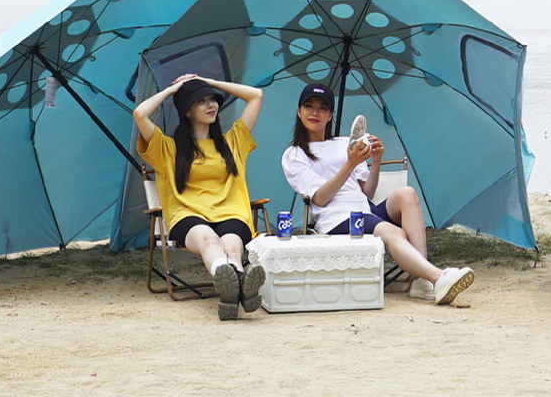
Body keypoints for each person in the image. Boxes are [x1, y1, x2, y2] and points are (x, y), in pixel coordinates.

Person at [281, 83, 475, 305]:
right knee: (393, 232)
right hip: (337, 219)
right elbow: (320, 199)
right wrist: (350, 163)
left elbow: (368, 191)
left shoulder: (345, 144)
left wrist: (376, 161)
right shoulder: (294, 155)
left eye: (322, 108)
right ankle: (437, 277)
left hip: (365, 210)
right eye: (309, 106)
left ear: (330, 115)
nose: (315, 113)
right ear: (299, 112)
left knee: (407, 194)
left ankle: (422, 281)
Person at [133, 73, 266, 321]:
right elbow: (140, 113)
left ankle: (232, 288)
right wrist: (172, 91)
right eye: (201, 101)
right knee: (208, 239)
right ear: (187, 111)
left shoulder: (233, 141)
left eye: (212, 99)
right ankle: (239, 283)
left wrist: (209, 82)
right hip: (188, 215)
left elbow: (256, 95)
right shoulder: (167, 148)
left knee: (232, 247)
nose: (211, 105)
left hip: (231, 213)